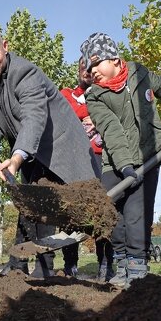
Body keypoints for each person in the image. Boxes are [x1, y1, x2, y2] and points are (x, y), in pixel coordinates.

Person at [0, 25, 99, 279]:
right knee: (29, 205)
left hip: (57, 149)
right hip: (30, 149)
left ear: (5, 47)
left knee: (45, 207)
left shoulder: (25, 73)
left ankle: (44, 268)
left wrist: (16, 158)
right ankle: (18, 266)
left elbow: (33, 118)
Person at [82, 33, 161, 289]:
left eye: (95, 63)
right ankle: (121, 263)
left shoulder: (141, 75)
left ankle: (136, 266)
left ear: (113, 58)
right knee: (113, 217)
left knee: (136, 214)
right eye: (88, 68)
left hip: (147, 156)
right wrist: (124, 166)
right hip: (115, 163)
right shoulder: (94, 97)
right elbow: (112, 130)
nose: (92, 72)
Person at [61, 57, 112, 281]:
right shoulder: (66, 96)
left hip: (101, 159)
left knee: (103, 211)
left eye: (91, 69)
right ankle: (70, 264)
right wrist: (87, 116)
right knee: (71, 214)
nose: (86, 72)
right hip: (73, 161)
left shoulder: (107, 96)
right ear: (78, 70)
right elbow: (65, 118)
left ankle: (105, 263)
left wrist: (97, 118)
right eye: (83, 67)